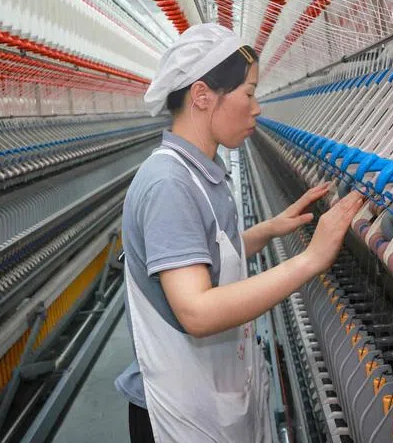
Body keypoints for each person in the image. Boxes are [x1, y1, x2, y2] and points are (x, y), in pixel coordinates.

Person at [114, 23, 365, 443]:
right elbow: (197, 311)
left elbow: (205, 256)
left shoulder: (199, 174)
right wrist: (311, 259)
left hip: (205, 398)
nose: (258, 108)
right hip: (173, 414)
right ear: (202, 96)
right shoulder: (168, 185)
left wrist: (268, 229)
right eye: (248, 93)